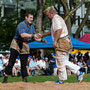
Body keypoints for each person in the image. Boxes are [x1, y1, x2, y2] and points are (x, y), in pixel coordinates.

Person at [35, 6, 85, 84]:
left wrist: (55, 41)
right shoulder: (57, 18)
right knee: (63, 61)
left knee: (60, 61)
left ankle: (64, 78)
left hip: (61, 42)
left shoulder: (55, 19)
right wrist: (42, 35)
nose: (47, 17)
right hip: (65, 41)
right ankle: (78, 73)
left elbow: (59, 30)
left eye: (48, 15)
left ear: (52, 13)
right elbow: (52, 31)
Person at [2, 12, 46, 83]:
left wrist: (41, 40)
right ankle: (5, 77)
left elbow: (34, 37)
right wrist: (32, 36)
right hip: (16, 43)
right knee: (11, 62)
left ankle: (24, 79)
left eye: (32, 18)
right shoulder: (21, 25)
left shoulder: (31, 27)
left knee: (24, 63)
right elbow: (22, 35)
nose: (32, 19)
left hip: (25, 44)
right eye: (30, 17)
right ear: (26, 17)